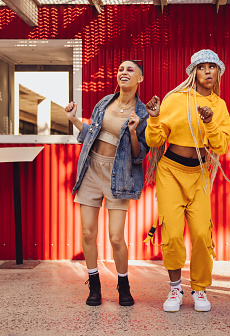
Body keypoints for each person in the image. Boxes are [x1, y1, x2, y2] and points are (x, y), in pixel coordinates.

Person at [143, 49, 230, 312]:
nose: (207, 71)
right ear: (193, 71)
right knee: (171, 233)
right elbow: (154, 140)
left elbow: (221, 146)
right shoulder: (175, 99)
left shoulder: (219, 106)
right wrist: (155, 116)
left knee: (203, 234)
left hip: (200, 174)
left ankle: (200, 289)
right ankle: (174, 289)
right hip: (170, 170)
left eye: (212, 67)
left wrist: (210, 122)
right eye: (202, 67)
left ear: (218, 73)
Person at [64, 60, 149, 307]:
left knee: (115, 237)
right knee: (88, 232)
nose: (123, 72)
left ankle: (123, 285)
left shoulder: (142, 113)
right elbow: (91, 136)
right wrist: (74, 120)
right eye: (120, 69)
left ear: (140, 79)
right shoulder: (104, 102)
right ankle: (94, 285)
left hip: (118, 175)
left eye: (129, 69)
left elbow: (138, 155)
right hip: (91, 170)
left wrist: (133, 132)